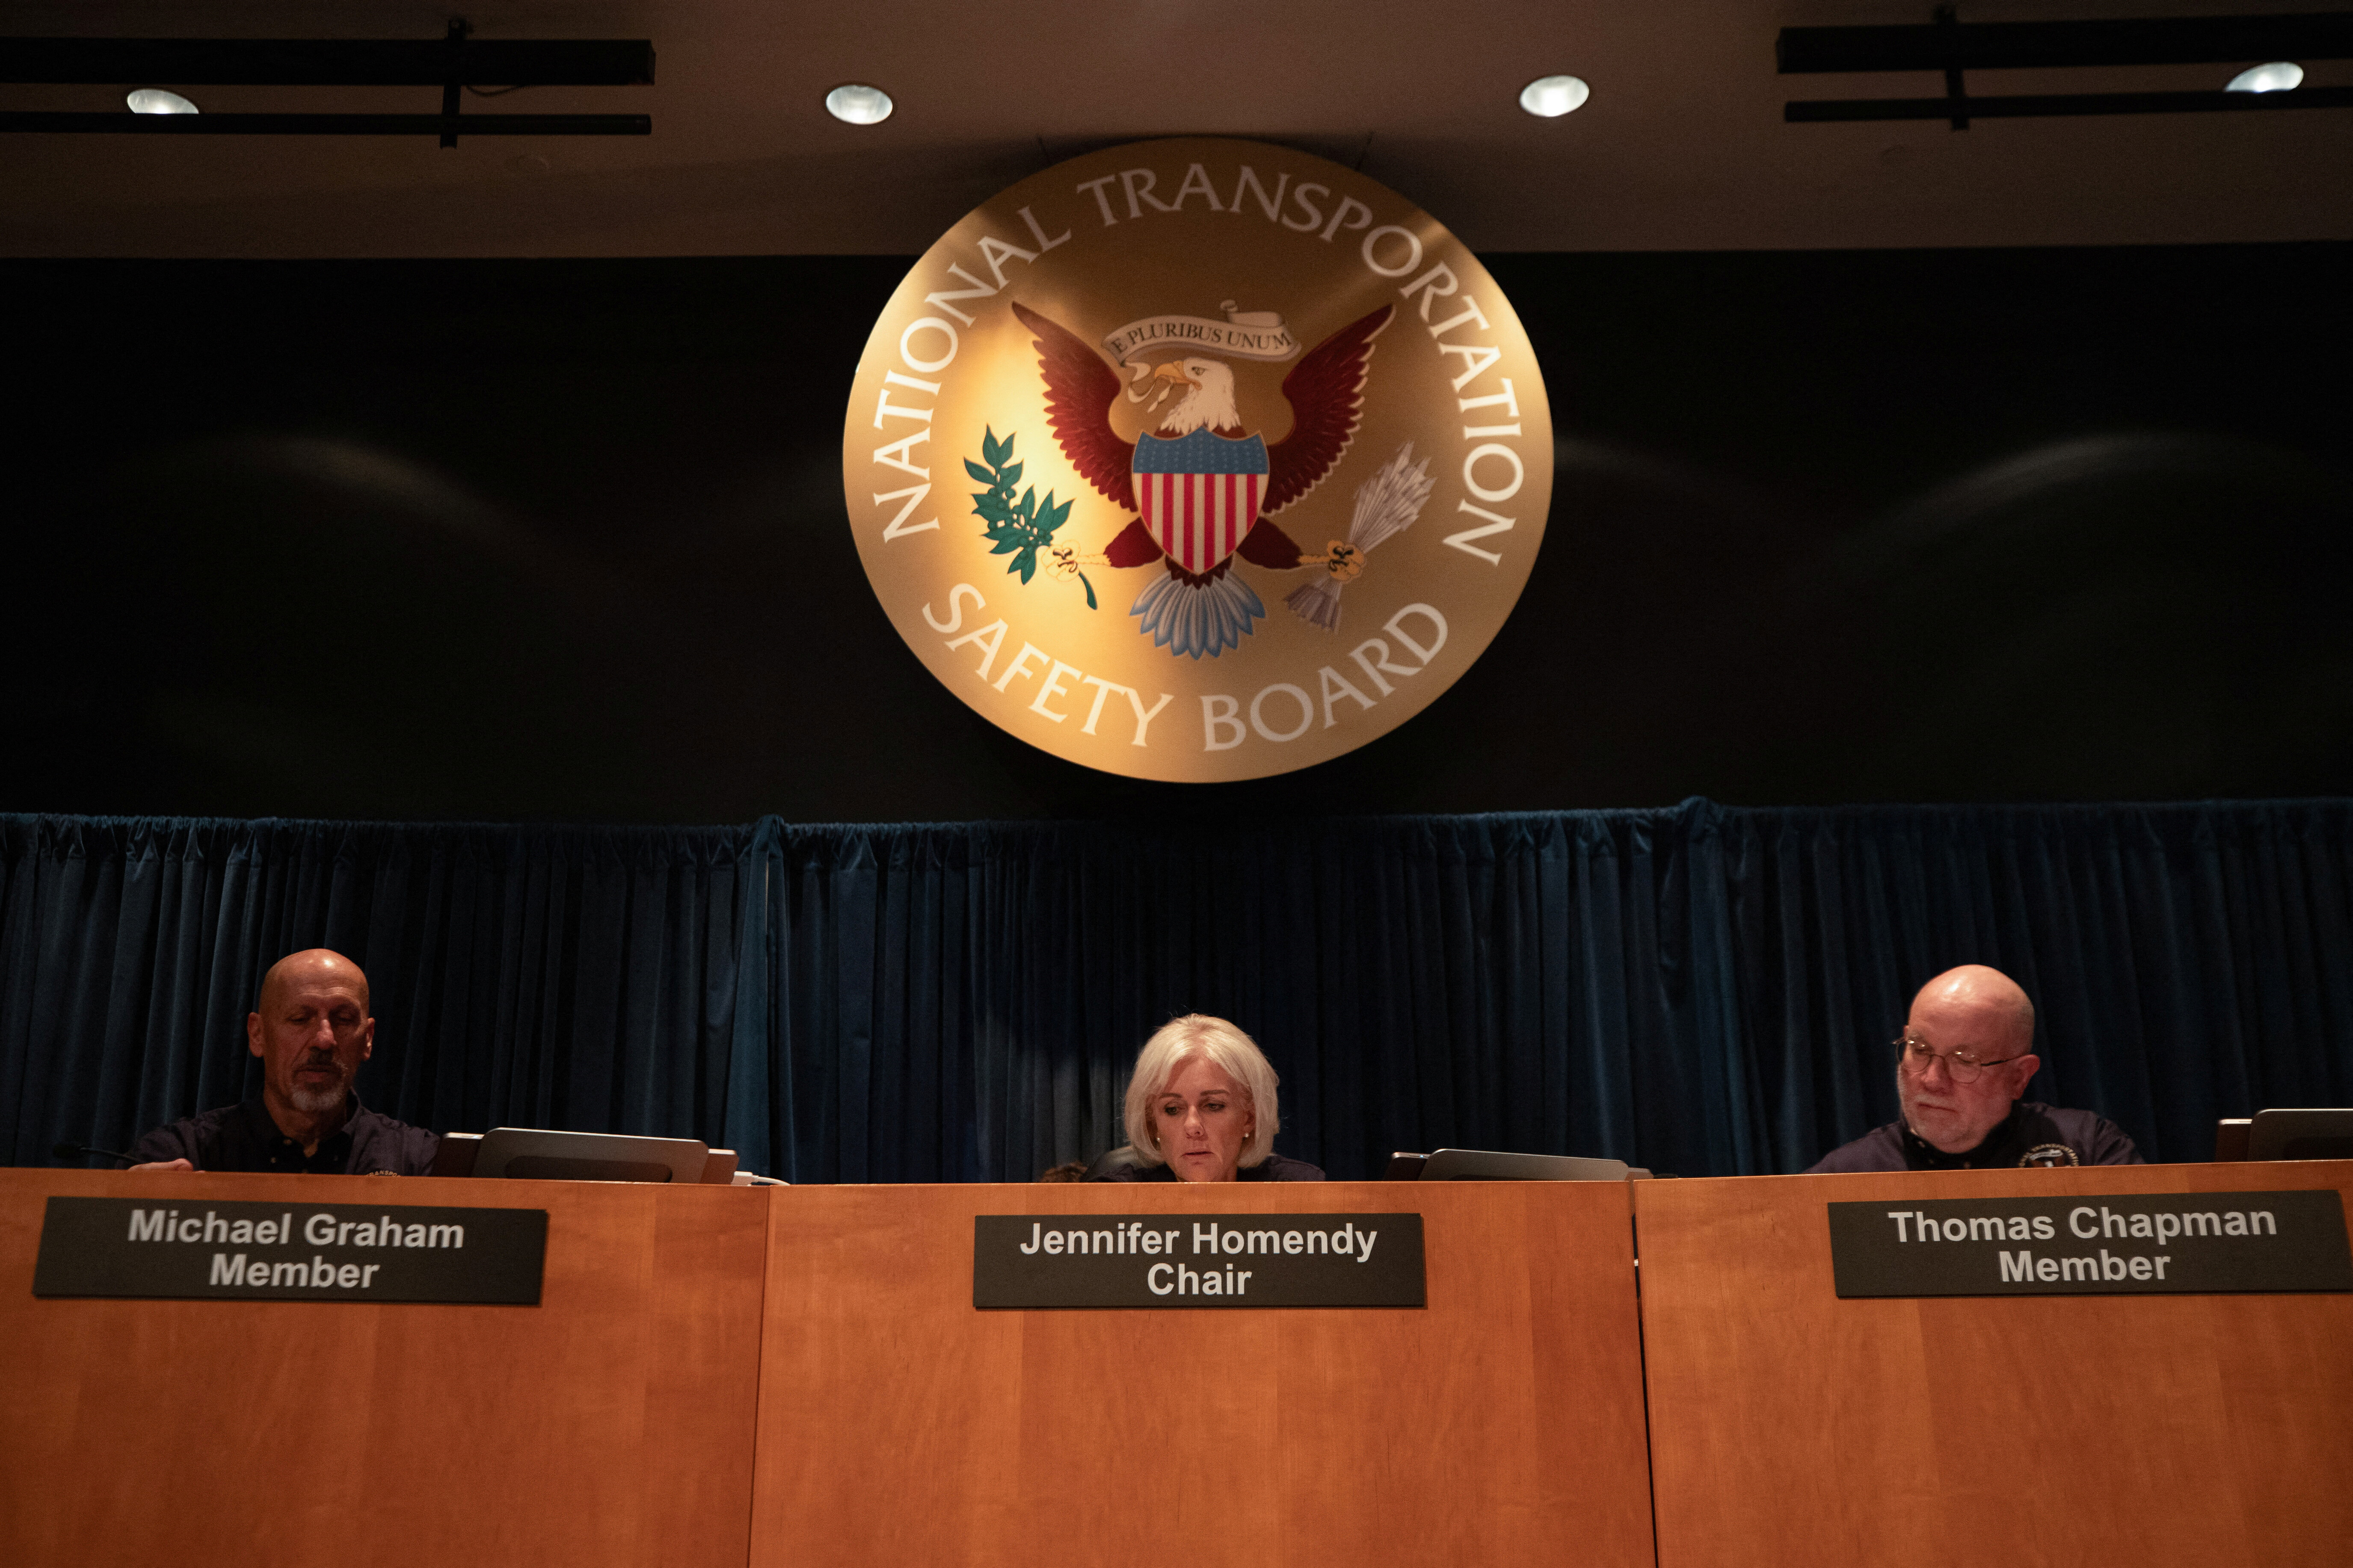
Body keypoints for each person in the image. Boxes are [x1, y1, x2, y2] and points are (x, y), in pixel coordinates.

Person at [129, 948, 439, 1175]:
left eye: (343, 1020)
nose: (324, 1040)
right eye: (300, 1019)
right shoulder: (182, 1154)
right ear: (258, 1035)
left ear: (368, 1038)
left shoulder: (420, 1163)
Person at [1808, 963, 2142, 1172]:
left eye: (1964, 1060)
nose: (1932, 1080)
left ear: (2019, 1077)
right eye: (1920, 1050)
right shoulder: (1845, 1178)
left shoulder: (2088, 1150)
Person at [1087, 1014, 1323, 1182]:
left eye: (1213, 1106)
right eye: (1172, 1109)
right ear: (1152, 1124)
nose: (1192, 1126)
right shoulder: (1112, 1200)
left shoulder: (1299, 1191)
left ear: (1249, 1117)